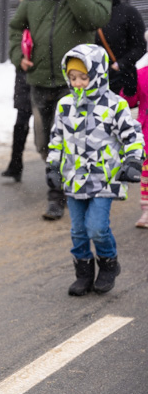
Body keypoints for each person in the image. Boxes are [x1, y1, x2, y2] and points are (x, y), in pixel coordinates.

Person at [8, 0, 111, 220]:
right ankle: (67, 180)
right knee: (44, 144)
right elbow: (16, 26)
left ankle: (58, 196)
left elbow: (94, 18)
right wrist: (19, 56)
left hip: (76, 82)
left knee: (68, 140)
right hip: (40, 79)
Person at [47, 44, 143, 297]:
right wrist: (53, 164)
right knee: (78, 230)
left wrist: (133, 161)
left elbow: (132, 136)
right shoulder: (64, 105)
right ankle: (84, 273)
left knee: (97, 227)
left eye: (83, 77)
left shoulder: (115, 105)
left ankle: (109, 264)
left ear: (98, 74)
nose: (77, 82)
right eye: (72, 77)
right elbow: (57, 138)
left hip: (104, 178)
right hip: (73, 177)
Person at [2, 0, 53, 182]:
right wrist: (19, 56)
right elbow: (16, 32)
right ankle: (15, 163)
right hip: (24, 69)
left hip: (44, 70)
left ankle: (56, 173)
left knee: (47, 121)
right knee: (22, 117)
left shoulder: (51, 6)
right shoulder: (27, 3)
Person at [89, 0, 146, 98]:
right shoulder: (88, 12)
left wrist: (119, 65)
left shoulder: (128, 13)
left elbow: (140, 47)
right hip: (92, 82)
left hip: (120, 82)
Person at [120, 33, 148, 228]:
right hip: (147, 132)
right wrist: (129, 88)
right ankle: (147, 210)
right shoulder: (142, 74)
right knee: (146, 175)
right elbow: (129, 101)